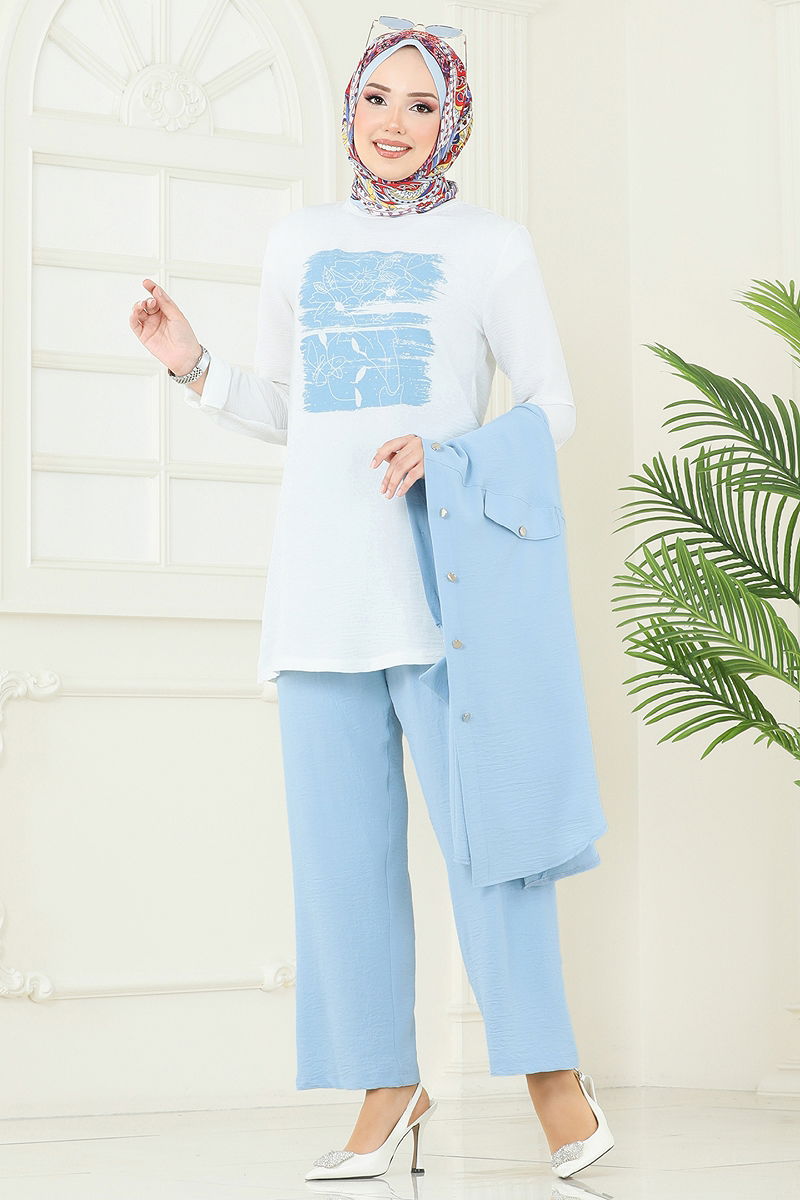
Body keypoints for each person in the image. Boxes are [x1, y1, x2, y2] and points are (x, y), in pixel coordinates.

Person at [128, 19, 613, 1183]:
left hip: (443, 601)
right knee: (340, 868)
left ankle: (552, 1079)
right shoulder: (298, 240)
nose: (392, 123)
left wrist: (448, 457)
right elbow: (289, 410)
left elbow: (551, 406)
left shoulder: (490, 248)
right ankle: (385, 1088)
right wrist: (195, 367)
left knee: (493, 851)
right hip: (317, 599)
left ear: (452, 122)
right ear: (349, 108)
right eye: (376, 99)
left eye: (419, 104)